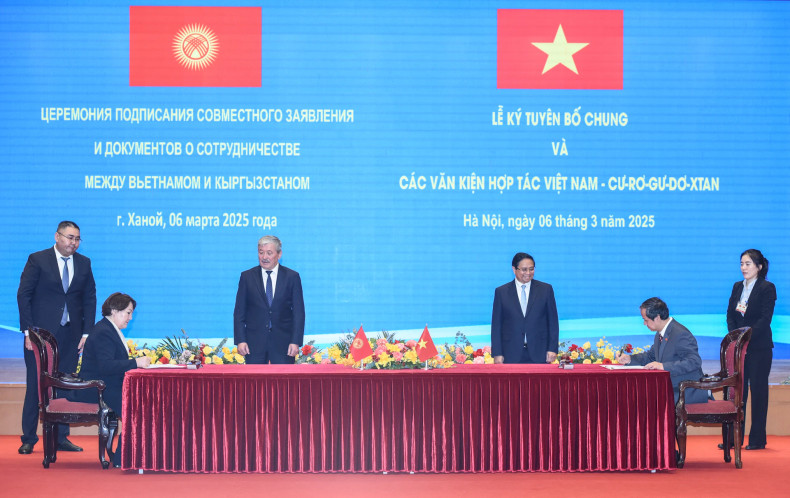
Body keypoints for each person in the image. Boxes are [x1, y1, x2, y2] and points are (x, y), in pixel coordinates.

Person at [17, 220, 96, 455]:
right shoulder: (37, 259)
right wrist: (27, 332)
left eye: (77, 239)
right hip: (40, 337)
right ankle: (29, 438)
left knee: (64, 386)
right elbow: (24, 296)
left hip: (71, 335)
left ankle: (61, 437)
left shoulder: (84, 263)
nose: (74, 243)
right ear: (57, 236)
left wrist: (86, 332)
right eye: (70, 237)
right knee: (35, 387)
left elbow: (89, 298)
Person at [73, 292, 150, 467]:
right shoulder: (104, 332)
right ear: (114, 310)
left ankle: (127, 456)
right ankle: (124, 458)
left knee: (141, 403)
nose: (130, 318)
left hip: (108, 385)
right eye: (128, 312)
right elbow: (105, 366)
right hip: (98, 389)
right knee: (136, 409)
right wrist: (135, 363)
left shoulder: (108, 328)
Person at [726, 249, 776, 450]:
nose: (743, 268)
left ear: (759, 266)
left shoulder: (767, 288)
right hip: (739, 348)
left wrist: (746, 338)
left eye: (747, 264)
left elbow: (765, 319)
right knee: (737, 393)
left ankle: (757, 440)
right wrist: (735, 337)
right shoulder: (737, 286)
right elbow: (730, 314)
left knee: (758, 392)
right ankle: (733, 439)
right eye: (741, 264)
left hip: (759, 348)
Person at [616, 297, 708, 405]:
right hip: (669, 387)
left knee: (642, 401)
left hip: (684, 390)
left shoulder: (680, 334)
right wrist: (630, 359)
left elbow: (694, 362)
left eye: (646, 320)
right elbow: (651, 356)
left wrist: (663, 366)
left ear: (657, 317)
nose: (644, 324)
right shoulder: (661, 333)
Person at [234, 235, 305, 364]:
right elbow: (239, 312)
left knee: (283, 383)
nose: (264, 257)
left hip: (284, 343)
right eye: (261, 253)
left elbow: (298, 313)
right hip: (253, 344)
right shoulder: (247, 277)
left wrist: (295, 341)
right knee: (254, 384)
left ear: (279, 254)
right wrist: (241, 340)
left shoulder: (292, 277)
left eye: (269, 253)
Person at [491, 252, 559, 364]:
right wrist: (497, 353)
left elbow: (553, 322)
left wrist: (552, 349)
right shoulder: (501, 292)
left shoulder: (545, 290)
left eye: (531, 269)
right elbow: (496, 326)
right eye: (524, 269)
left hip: (540, 352)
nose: (528, 273)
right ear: (514, 269)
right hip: (510, 353)